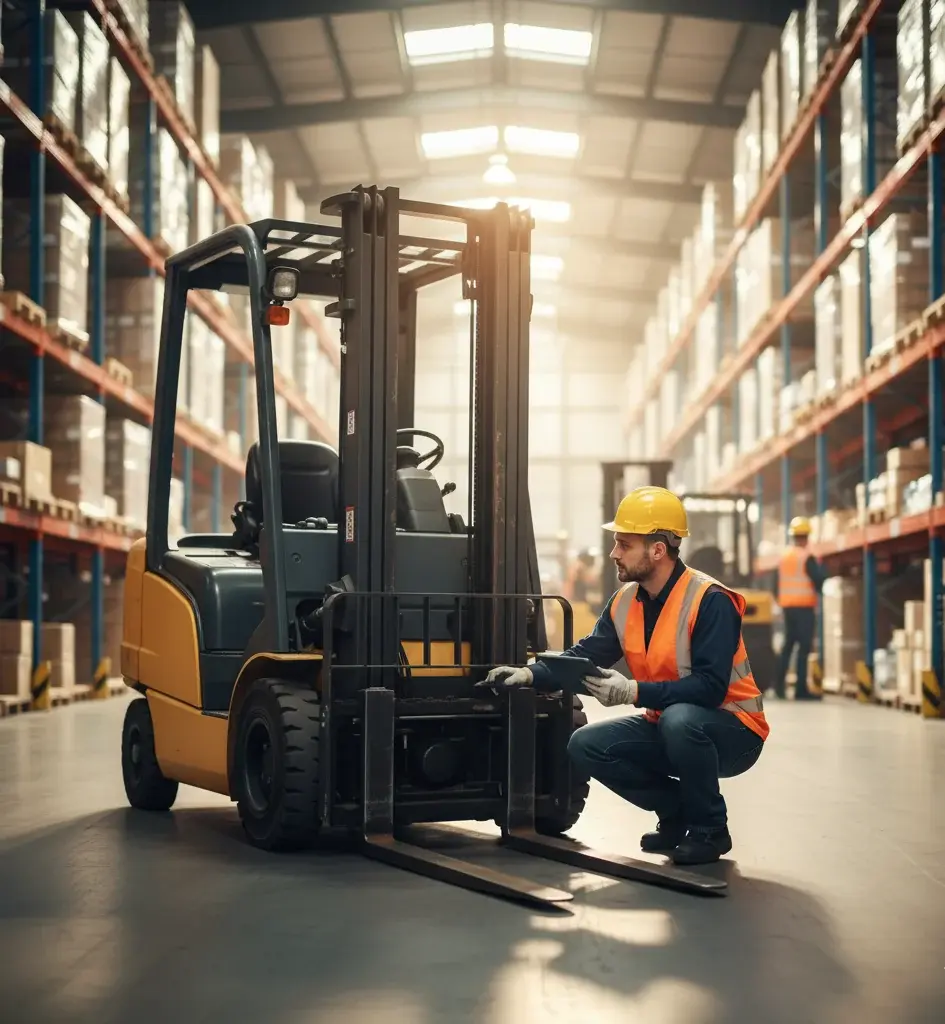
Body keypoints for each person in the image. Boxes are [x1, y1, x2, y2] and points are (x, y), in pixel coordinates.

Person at [484, 486, 769, 866]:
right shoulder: (624, 602)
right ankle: (677, 812)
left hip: (735, 731)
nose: (613, 553)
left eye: (624, 544)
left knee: (681, 720)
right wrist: (530, 674)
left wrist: (632, 691)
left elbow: (710, 687)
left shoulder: (710, 600)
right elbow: (584, 655)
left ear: (657, 550)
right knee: (585, 744)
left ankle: (709, 829)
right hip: (672, 724)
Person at [774, 517, 826, 701]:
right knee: (804, 648)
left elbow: (776, 584)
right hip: (804, 607)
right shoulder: (806, 556)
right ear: (806, 536)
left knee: (788, 646)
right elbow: (819, 580)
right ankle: (800, 690)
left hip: (788, 608)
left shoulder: (784, 556)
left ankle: (779, 687)